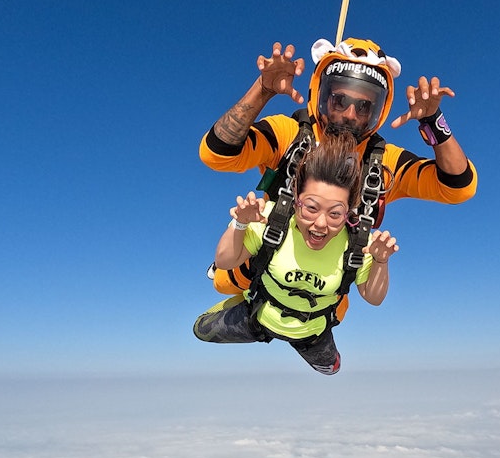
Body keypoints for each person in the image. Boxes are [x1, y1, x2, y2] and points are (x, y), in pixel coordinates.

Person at [199, 37, 476, 316]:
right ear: (321, 93)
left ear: (379, 111)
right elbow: (217, 154)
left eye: (364, 106)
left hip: (326, 289)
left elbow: (457, 187)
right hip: (266, 257)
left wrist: (434, 123)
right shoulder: (288, 134)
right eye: (339, 100)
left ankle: (306, 334)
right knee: (224, 280)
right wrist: (262, 90)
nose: (350, 114)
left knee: (332, 314)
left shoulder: (383, 163)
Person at [193, 134, 399, 375]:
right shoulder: (271, 219)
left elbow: (373, 298)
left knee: (332, 369)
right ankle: (242, 297)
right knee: (200, 330)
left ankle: (304, 344)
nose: (320, 224)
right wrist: (240, 224)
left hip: (311, 334)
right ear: (296, 200)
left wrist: (381, 261)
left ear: (348, 213)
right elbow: (225, 261)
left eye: (335, 214)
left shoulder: (358, 243)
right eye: (311, 208)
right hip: (258, 317)